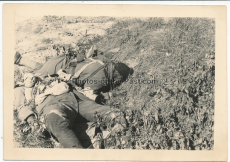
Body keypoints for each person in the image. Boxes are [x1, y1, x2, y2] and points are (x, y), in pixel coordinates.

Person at [14, 46, 133, 148]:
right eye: (26, 79)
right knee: (59, 126)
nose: (30, 78)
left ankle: (124, 137)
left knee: (110, 114)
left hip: (75, 97)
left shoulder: (42, 75)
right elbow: (22, 108)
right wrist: (33, 122)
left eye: (30, 76)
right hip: (52, 104)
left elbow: (40, 68)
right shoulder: (21, 90)